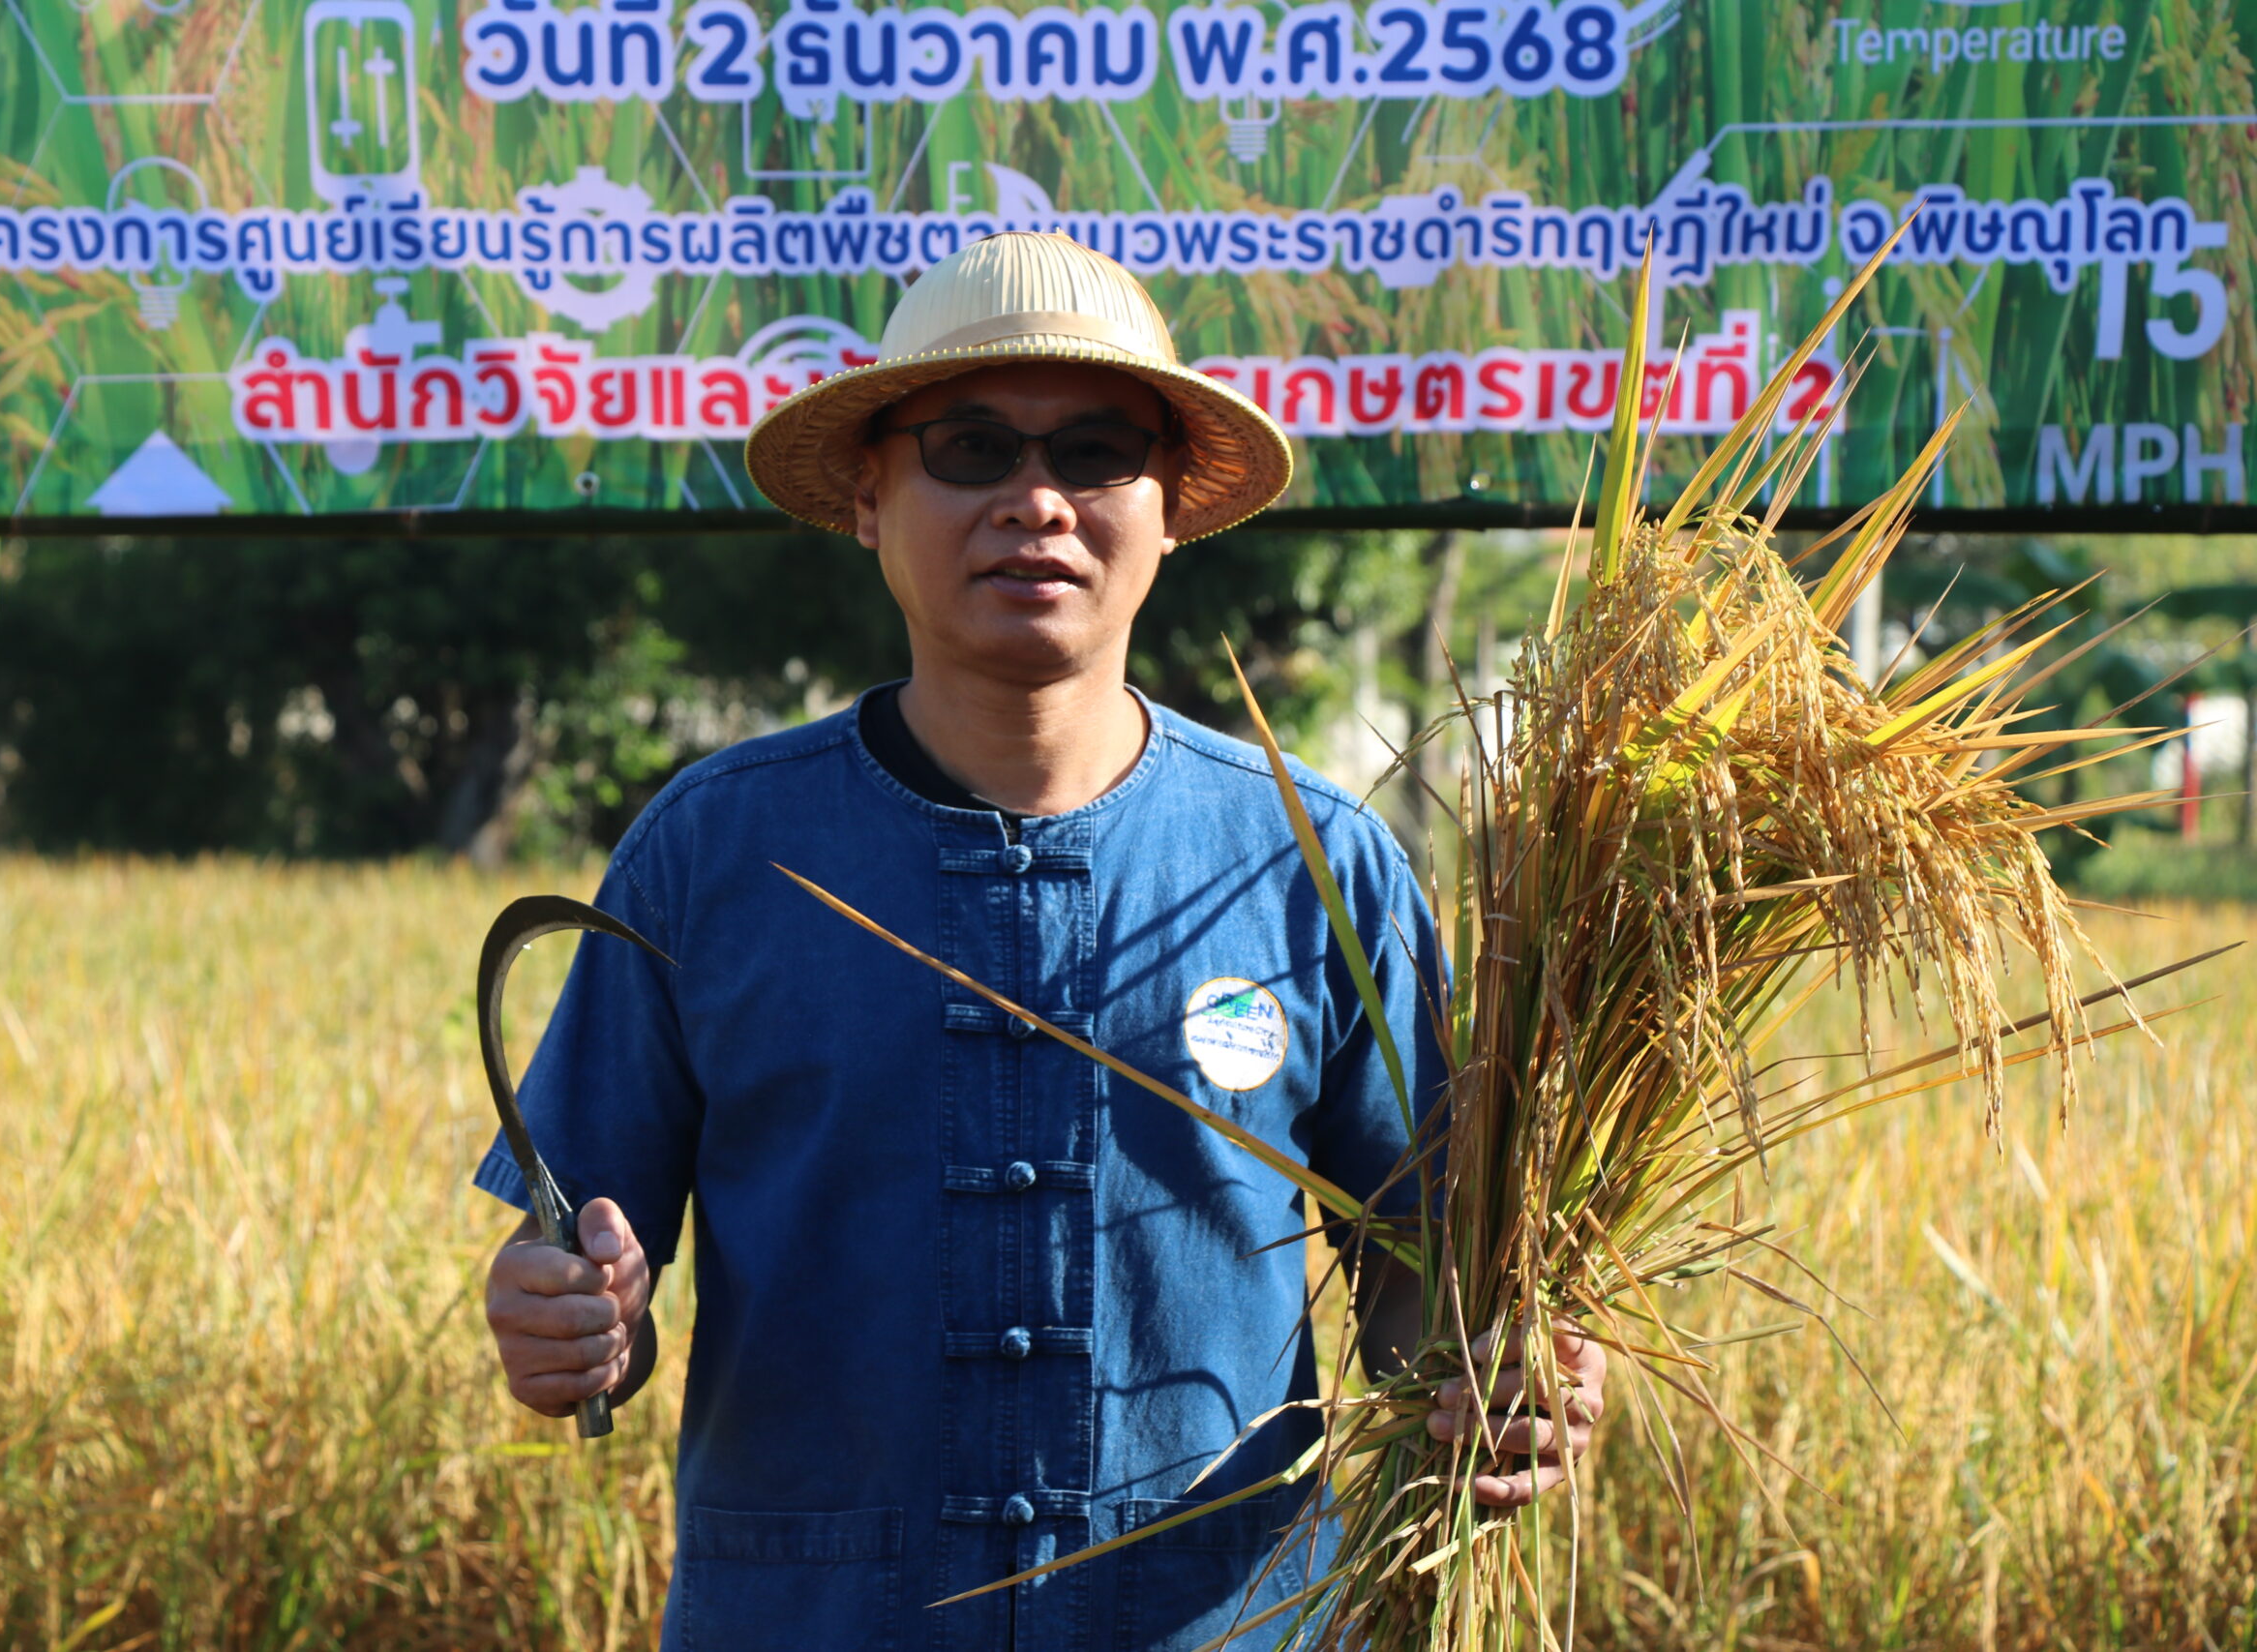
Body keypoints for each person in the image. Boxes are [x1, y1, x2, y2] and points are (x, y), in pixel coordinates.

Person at [476, 231, 1605, 1652]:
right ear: (871, 496)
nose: (1036, 500)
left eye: (1096, 451)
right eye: (969, 449)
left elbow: (1418, 1268)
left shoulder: (1316, 863)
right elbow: (589, 1273)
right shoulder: (712, 853)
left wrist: (1496, 1376)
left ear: (1171, 505)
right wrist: (565, 1326)